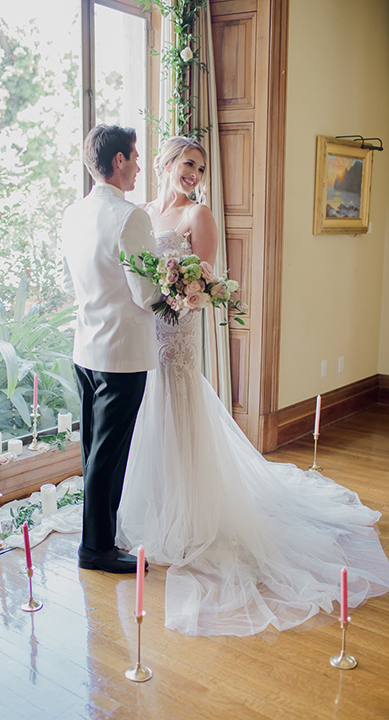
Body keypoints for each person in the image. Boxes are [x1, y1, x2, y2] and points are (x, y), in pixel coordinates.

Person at [116, 136, 389, 635]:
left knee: (177, 410)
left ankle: (191, 516)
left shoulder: (200, 218)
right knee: (145, 416)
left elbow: (209, 285)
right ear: (167, 162)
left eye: (200, 167)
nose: (194, 173)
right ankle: (153, 504)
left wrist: (184, 294)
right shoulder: (141, 214)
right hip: (140, 335)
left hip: (176, 334)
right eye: (188, 163)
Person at [61, 124, 158, 573]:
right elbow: (144, 293)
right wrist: (174, 291)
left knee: (93, 451)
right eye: (135, 157)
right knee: (109, 452)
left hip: (87, 347)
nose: (138, 166)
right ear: (118, 161)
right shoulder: (130, 216)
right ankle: (96, 548)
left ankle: (99, 536)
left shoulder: (74, 213)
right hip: (121, 351)